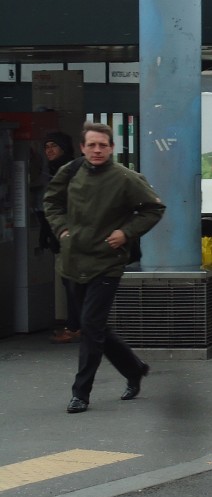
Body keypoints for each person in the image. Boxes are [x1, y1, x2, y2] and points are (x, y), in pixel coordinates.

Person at [43, 122, 166, 414]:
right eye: (92, 145)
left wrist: (126, 232)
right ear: (83, 147)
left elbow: (153, 208)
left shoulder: (126, 178)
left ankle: (80, 394)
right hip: (73, 261)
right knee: (93, 326)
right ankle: (134, 369)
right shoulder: (70, 171)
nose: (97, 150)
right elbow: (51, 201)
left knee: (90, 328)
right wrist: (61, 230)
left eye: (103, 145)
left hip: (107, 263)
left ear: (112, 148)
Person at [38, 132, 82, 342]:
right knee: (69, 283)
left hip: (72, 237)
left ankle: (76, 327)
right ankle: (76, 326)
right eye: (46, 146)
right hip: (61, 236)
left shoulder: (71, 171)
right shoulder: (53, 172)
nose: (49, 150)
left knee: (73, 283)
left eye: (54, 146)